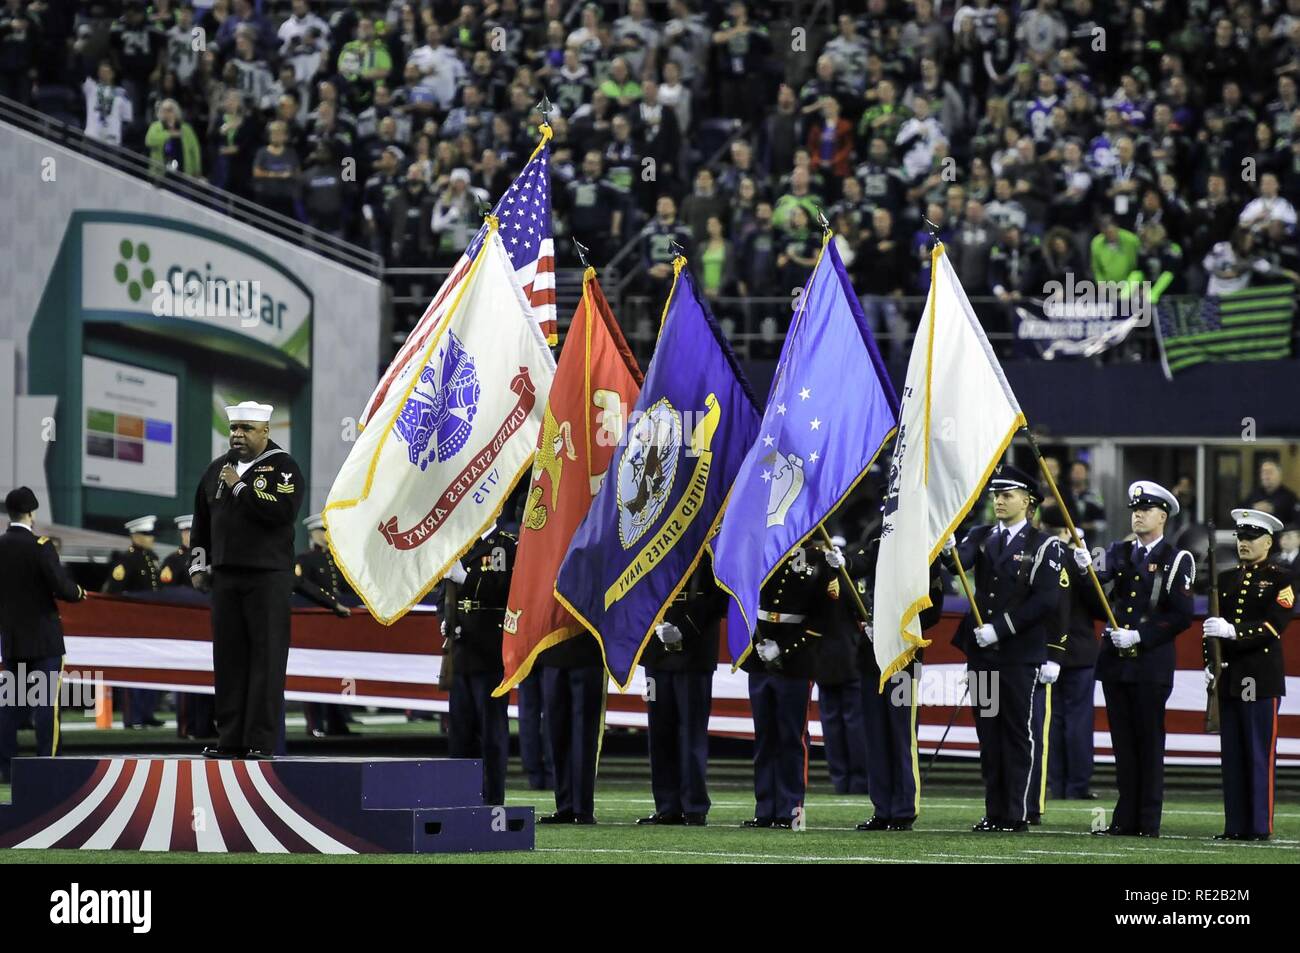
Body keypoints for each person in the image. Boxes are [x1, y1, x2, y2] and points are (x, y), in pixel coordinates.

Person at [950, 464, 1067, 833]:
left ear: (1027, 501)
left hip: (1017, 653)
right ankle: (993, 810)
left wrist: (1000, 629)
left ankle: (1015, 812)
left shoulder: (1044, 545)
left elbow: (1046, 600)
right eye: (996, 496)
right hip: (982, 654)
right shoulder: (982, 535)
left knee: (1016, 732)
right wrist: (945, 547)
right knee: (988, 733)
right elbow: (957, 566)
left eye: (1007, 495)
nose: (999, 501)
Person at [1074, 481, 1194, 838]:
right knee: (1123, 744)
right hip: (1116, 663)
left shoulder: (1176, 559)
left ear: (1163, 516)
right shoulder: (1118, 551)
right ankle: (1124, 818)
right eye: (1135, 510)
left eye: (1145, 510)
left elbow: (1181, 615)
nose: (1138, 515)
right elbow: (1098, 601)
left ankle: (1147, 820)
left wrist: (1140, 635)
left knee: (1148, 742)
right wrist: (1085, 573)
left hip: (1149, 663)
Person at [189, 401, 305, 759]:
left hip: (267, 576)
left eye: (246, 429)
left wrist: (240, 488)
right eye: (234, 428)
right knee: (228, 659)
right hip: (225, 576)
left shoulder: (283, 467)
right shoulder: (215, 470)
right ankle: (231, 739)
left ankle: (260, 740)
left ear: (265, 431)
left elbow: (281, 512)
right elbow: (200, 523)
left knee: (265, 659)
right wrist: (197, 566)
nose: (237, 435)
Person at [1203, 509, 1292, 841]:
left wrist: (1233, 632)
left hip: (1259, 675)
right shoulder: (1225, 579)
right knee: (1233, 755)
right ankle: (1235, 825)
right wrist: (1209, 664)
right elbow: (1210, 630)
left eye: (1251, 538)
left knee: (1257, 753)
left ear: (1267, 542)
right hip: (1230, 675)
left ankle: (1258, 825)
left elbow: (1273, 627)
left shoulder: (1282, 579)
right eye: (1240, 537)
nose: (1244, 543)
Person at [852, 535, 945, 832]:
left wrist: (895, 626)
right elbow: (856, 577)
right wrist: (866, 620)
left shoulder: (925, 547)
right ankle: (882, 807)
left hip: (905, 655)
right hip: (872, 656)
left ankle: (904, 807)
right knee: (876, 734)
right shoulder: (878, 542)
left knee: (901, 732)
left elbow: (933, 607)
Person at [0, 487, 86, 783]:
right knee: (46, 705)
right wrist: (80, 593)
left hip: (12, 640)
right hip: (44, 641)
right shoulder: (41, 546)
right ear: (32, 513)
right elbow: (62, 588)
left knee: (9, 706)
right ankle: (45, 767)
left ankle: (6, 769)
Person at [637, 554, 726, 827]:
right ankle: (667, 806)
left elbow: (720, 597)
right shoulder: (654, 543)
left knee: (691, 732)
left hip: (694, 653)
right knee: (659, 732)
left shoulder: (710, 551)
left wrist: (685, 628)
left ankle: (694, 805)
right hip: (656, 651)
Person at [741, 545, 826, 829]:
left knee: (792, 737)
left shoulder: (817, 558)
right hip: (760, 653)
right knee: (765, 737)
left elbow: (822, 616)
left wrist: (785, 648)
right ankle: (764, 808)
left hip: (795, 660)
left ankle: (792, 810)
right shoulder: (762, 546)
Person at [442, 526, 516, 807]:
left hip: (489, 649)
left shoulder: (505, 545)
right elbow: (445, 589)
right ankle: (461, 798)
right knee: (460, 732)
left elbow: (505, 589)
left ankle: (492, 798)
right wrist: (444, 619)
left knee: (491, 731)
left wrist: (467, 578)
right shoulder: (459, 540)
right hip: (460, 652)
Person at [811, 535, 869, 797]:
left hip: (845, 658)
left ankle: (855, 779)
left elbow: (859, 607)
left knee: (852, 722)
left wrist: (842, 569)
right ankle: (843, 779)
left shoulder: (847, 577)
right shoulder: (818, 578)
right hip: (830, 658)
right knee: (833, 724)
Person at [294, 513, 353, 738]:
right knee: (314, 673)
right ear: (313, 533)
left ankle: (338, 723)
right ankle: (315, 724)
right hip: (315, 627)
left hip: (336, 626)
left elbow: (346, 589)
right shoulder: (305, 560)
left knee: (338, 672)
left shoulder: (337, 560)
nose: (326, 535)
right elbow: (302, 590)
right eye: (322, 531)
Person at [538, 629, 605, 824]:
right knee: (557, 734)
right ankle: (565, 805)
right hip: (553, 650)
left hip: (588, 650)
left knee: (584, 735)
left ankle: (582, 807)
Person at [104, 515, 164, 729]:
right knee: (134, 672)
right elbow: (114, 593)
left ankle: (147, 713)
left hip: (152, 624)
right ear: (135, 535)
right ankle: (133, 717)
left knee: (151, 670)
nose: (151, 539)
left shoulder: (152, 558)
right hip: (133, 626)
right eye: (147, 535)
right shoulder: (126, 561)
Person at [162, 514, 217, 740]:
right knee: (186, 681)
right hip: (183, 632)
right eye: (187, 532)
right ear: (182, 534)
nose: (190, 535)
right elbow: (166, 596)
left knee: (209, 679)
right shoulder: (173, 561)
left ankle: (206, 724)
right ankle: (186, 726)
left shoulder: (208, 556)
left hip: (208, 628)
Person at [1239, 459, 1299, 526]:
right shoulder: (1254, 495)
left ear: (1279, 475)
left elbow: (1297, 522)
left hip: (1280, 534)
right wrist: (1253, 509)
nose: (1266, 476)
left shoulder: (1290, 497)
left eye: (1270, 472)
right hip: (1257, 535)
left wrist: (1274, 511)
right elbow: (1241, 514)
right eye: (1263, 472)